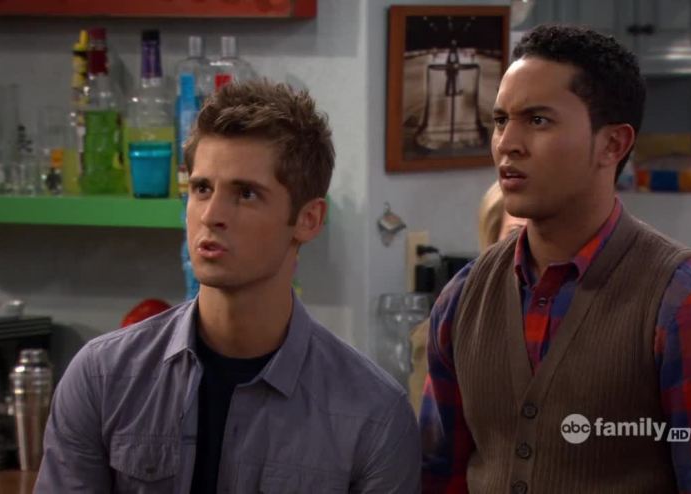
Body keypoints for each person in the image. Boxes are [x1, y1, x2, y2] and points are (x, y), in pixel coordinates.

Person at [420, 25, 691, 493]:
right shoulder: (463, 300)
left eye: (538, 120)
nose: (508, 143)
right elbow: (438, 478)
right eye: (501, 120)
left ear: (613, 144)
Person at [36, 79, 421, 493]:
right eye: (202, 189)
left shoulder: (373, 417)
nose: (211, 215)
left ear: (308, 220)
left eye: (246, 194)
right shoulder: (103, 378)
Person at [408, 181, 525, 414]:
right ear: (493, 240)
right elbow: (431, 429)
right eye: (515, 233)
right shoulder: (451, 323)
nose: (530, 245)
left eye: (544, 232)